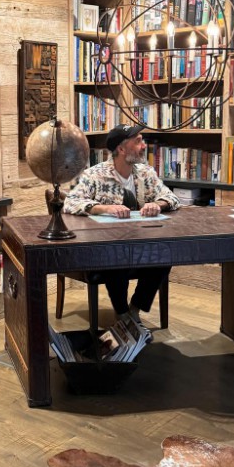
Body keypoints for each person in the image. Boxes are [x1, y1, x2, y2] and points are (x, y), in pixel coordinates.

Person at [64, 123, 180, 322]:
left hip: (140, 243)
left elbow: (172, 198)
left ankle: (134, 309)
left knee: (165, 254)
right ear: (121, 149)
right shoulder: (94, 175)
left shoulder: (145, 173)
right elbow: (70, 202)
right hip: (105, 247)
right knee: (115, 254)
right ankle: (122, 314)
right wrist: (105, 208)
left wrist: (158, 205)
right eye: (138, 141)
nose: (144, 145)